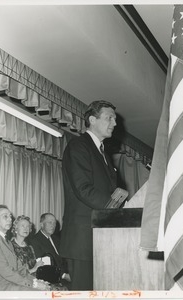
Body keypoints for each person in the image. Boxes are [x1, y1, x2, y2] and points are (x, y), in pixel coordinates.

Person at [60, 100, 118, 290]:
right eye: (109, 118)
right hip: (83, 239)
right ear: (92, 119)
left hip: (99, 237)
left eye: (115, 119)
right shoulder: (78, 146)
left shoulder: (103, 153)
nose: (114, 123)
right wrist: (114, 207)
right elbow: (83, 188)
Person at [0, 204, 50, 291]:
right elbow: (7, 272)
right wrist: (34, 284)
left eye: (10, 216)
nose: (10, 219)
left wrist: (36, 280)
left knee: (47, 288)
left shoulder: (8, 242)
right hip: (1, 288)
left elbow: (20, 268)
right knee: (42, 293)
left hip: (13, 284)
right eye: (5, 217)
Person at [30, 213, 71, 286]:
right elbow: (43, 265)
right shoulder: (35, 241)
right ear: (42, 224)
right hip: (52, 279)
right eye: (50, 222)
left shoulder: (56, 239)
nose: (53, 225)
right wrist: (64, 275)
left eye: (54, 223)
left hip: (66, 274)